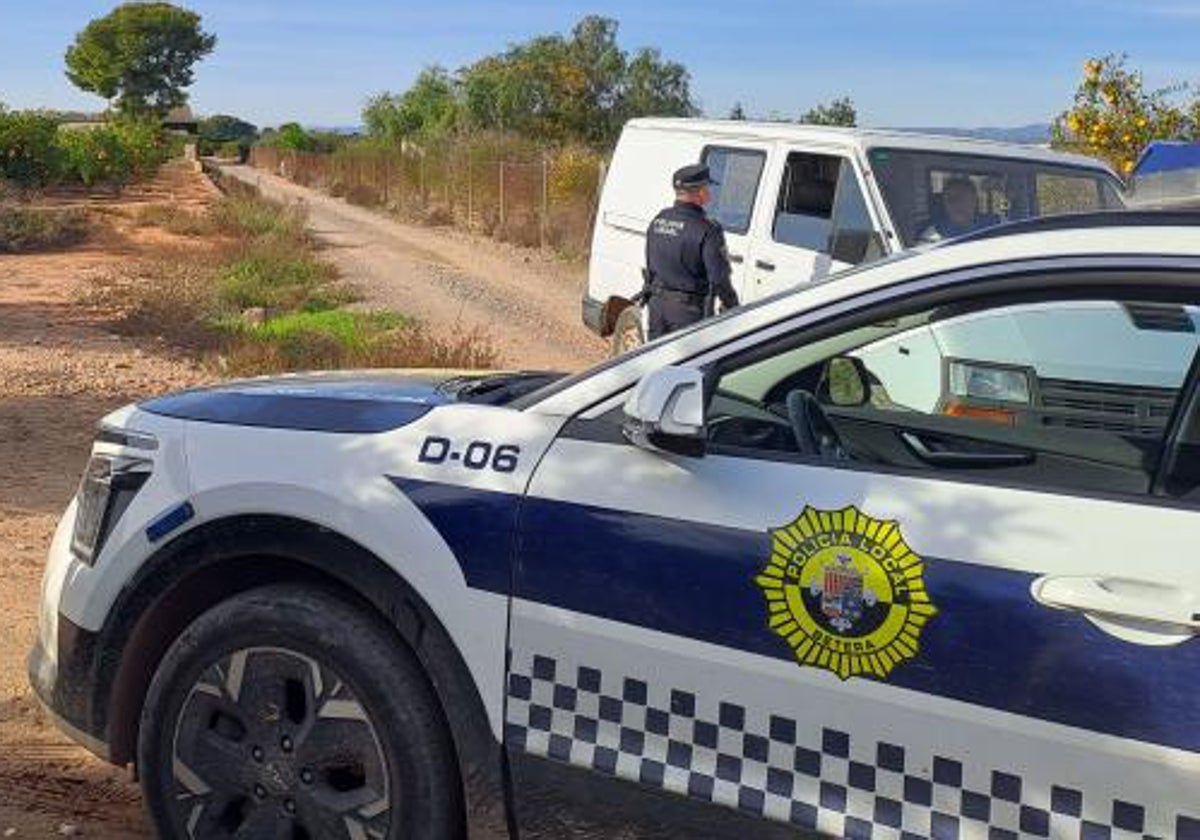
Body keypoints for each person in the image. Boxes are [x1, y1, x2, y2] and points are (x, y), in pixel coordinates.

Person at [642, 163, 739, 340]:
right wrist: (733, 308)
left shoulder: (659, 219)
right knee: (687, 365)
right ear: (700, 193)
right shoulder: (707, 229)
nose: (709, 193)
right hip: (687, 314)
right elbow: (719, 279)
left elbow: (650, 264)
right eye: (707, 188)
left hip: (657, 308)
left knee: (657, 363)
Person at [917, 176, 996, 243]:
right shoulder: (931, 236)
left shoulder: (994, 227)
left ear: (974, 200)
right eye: (950, 199)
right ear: (944, 203)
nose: (956, 203)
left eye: (962, 198)